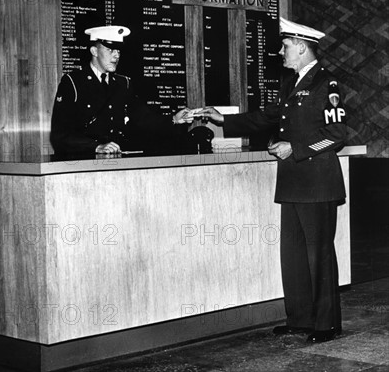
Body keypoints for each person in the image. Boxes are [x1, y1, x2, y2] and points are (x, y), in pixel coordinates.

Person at [198, 17, 347, 344]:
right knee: (293, 253)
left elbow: (337, 134)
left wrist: (295, 148)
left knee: (318, 254)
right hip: (293, 182)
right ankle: (300, 318)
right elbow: (267, 117)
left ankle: (326, 324)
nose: (281, 52)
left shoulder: (327, 83)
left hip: (317, 181)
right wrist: (222, 119)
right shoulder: (293, 83)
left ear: (303, 47)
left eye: (286, 46)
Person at [51, 25, 192, 156]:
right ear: (94, 51)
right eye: (110, 50)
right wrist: (95, 147)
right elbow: (60, 136)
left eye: (118, 50)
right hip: (84, 162)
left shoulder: (123, 83)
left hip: (117, 160)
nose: (116, 55)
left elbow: (143, 118)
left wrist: (173, 119)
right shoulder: (73, 82)